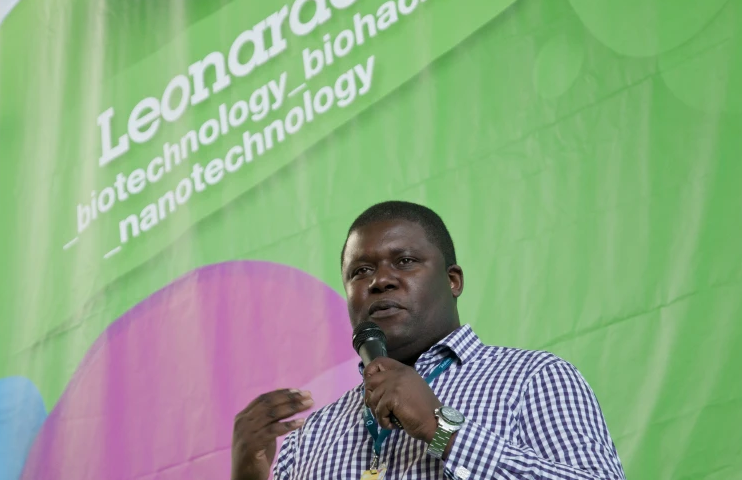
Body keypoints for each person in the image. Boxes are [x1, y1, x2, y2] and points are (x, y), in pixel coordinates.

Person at [231, 201, 626, 479]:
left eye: (404, 261)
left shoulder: (534, 378)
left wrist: (444, 430)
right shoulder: (311, 435)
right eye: (360, 271)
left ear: (452, 281)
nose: (379, 280)